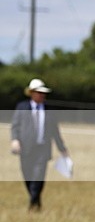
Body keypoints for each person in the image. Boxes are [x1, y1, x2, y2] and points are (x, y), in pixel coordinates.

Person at [10, 78, 69, 211]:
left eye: (44, 93)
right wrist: (15, 140)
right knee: (28, 177)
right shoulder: (22, 107)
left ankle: (32, 205)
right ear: (32, 93)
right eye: (39, 92)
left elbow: (55, 131)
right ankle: (36, 202)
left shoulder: (49, 110)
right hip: (25, 149)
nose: (42, 95)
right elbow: (15, 126)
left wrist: (62, 149)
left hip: (42, 149)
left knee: (38, 177)